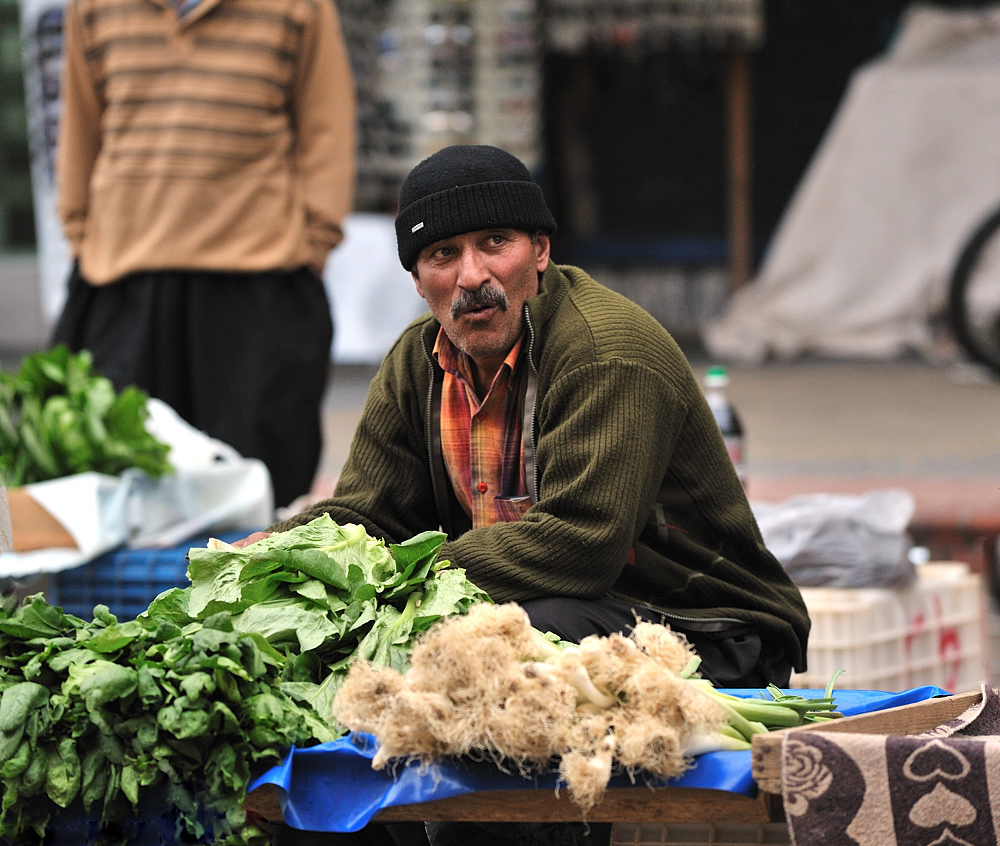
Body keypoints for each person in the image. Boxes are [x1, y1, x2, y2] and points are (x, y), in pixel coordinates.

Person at [258, 144, 811, 846]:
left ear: (540, 250)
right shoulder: (414, 363)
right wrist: (279, 557)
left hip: (699, 622)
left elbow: (579, 544)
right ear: (417, 277)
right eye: (442, 256)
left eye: (496, 244)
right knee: (340, 682)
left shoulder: (606, 352)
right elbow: (369, 514)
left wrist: (405, 584)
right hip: (543, 604)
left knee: (483, 670)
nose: (472, 276)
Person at [50, 0, 356, 509]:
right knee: (116, 492)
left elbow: (326, 119)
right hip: (123, 276)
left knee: (264, 492)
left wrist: (316, 238)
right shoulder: (92, 5)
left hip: (259, 273)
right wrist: (79, 231)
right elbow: (81, 119)